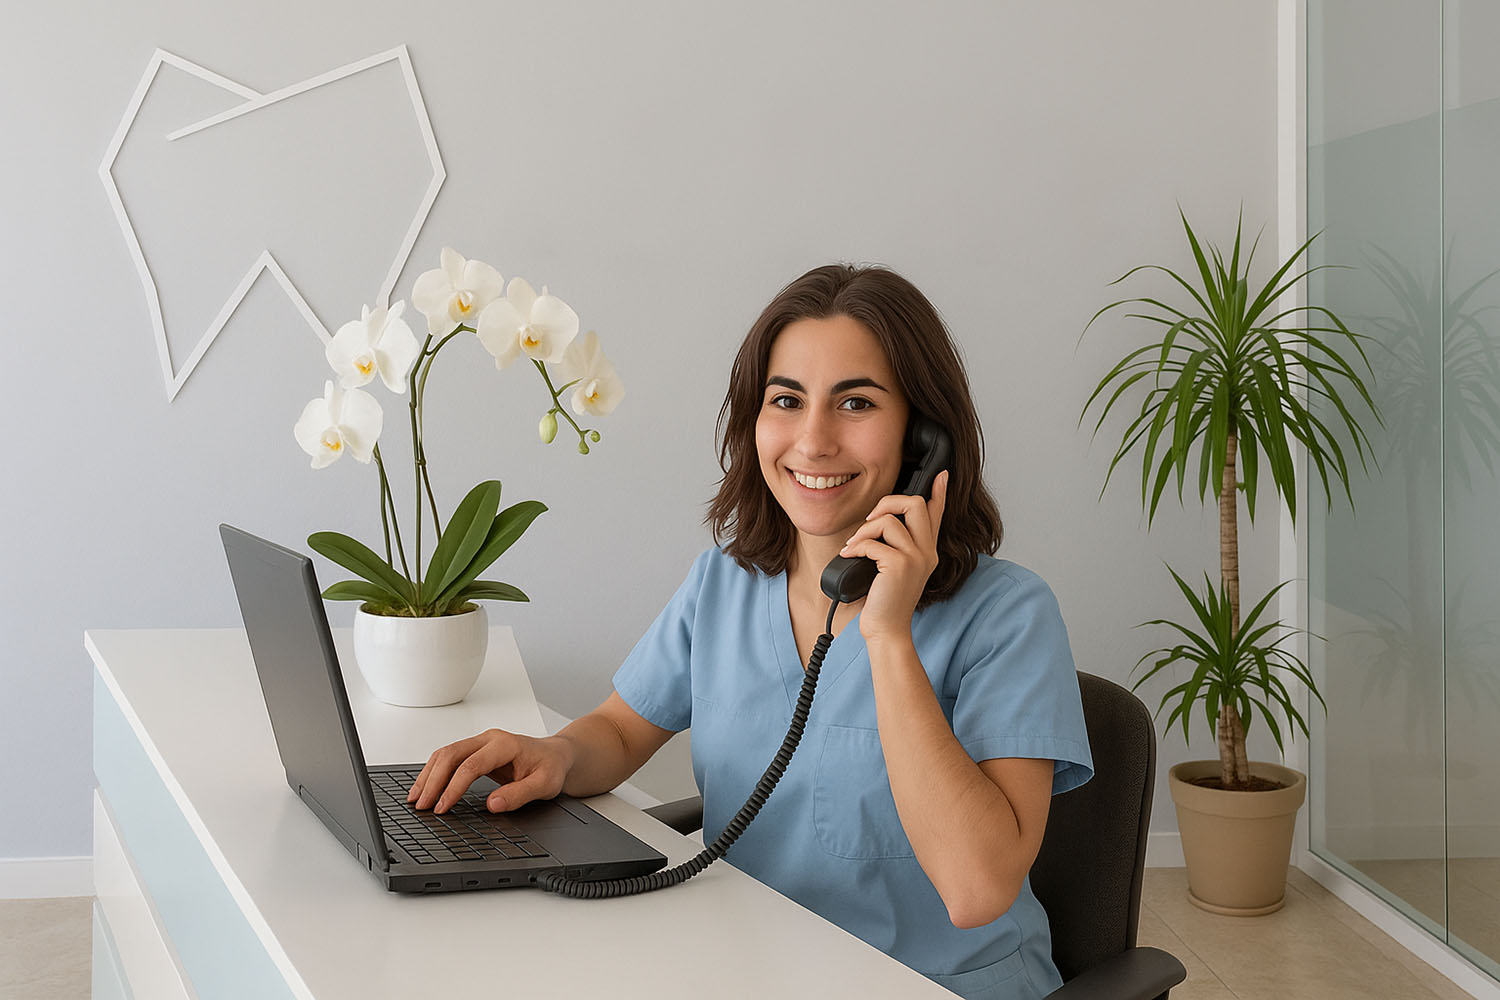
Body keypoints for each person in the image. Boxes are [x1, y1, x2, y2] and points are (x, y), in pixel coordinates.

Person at [405, 264, 1093, 1000]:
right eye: (786, 401)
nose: (813, 440)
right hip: (747, 968)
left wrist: (888, 638)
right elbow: (620, 729)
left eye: (855, 403)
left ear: (925, 440)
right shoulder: (724, 584)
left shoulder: (1010, 616)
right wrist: (554, 755)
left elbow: (976, 889)